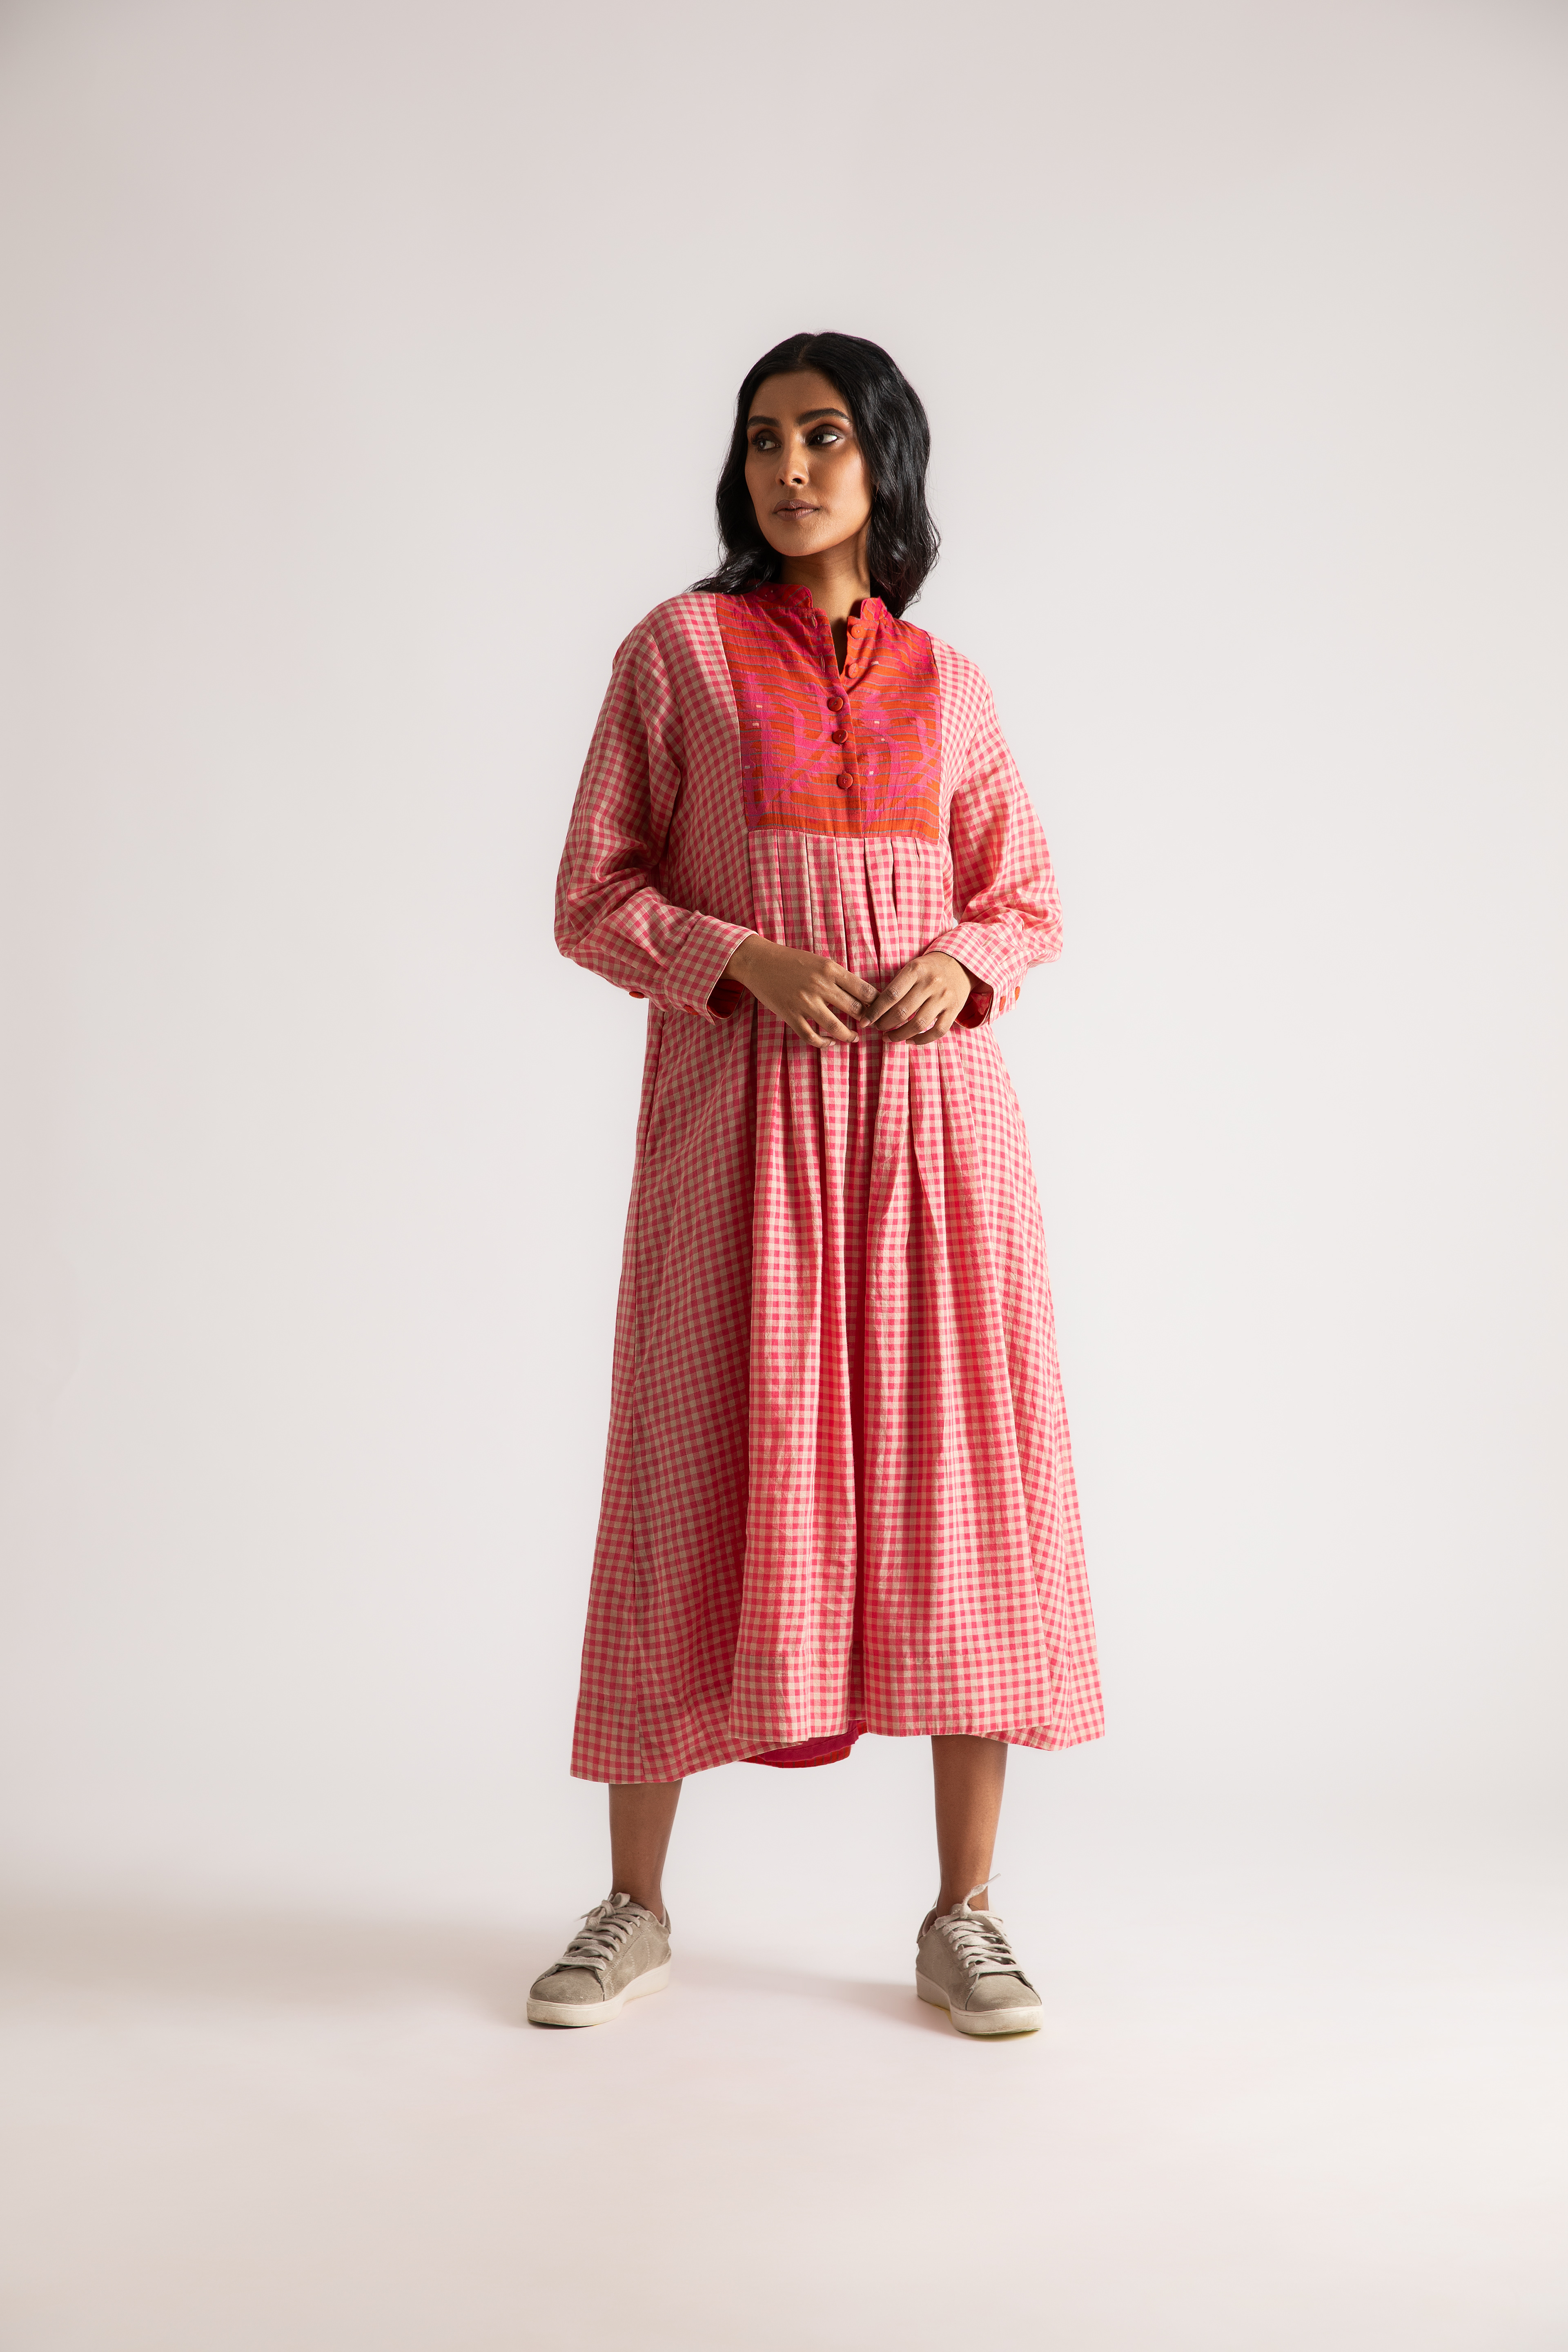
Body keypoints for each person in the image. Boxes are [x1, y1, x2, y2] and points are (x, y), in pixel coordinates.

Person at [531, 332, 1102, 2038]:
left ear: (886, 462)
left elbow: (1027, 897)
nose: (790, 468)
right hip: (744, 1135)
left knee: (961, 1487)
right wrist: (739, 960)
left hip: (934, 1141)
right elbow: (591, 891)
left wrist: (965, 963)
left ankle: (965, 1914)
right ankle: (633, 1905)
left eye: (827, 437)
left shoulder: (953, 686)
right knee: (694, 1462)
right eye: (765, 438)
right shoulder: (680, 654)